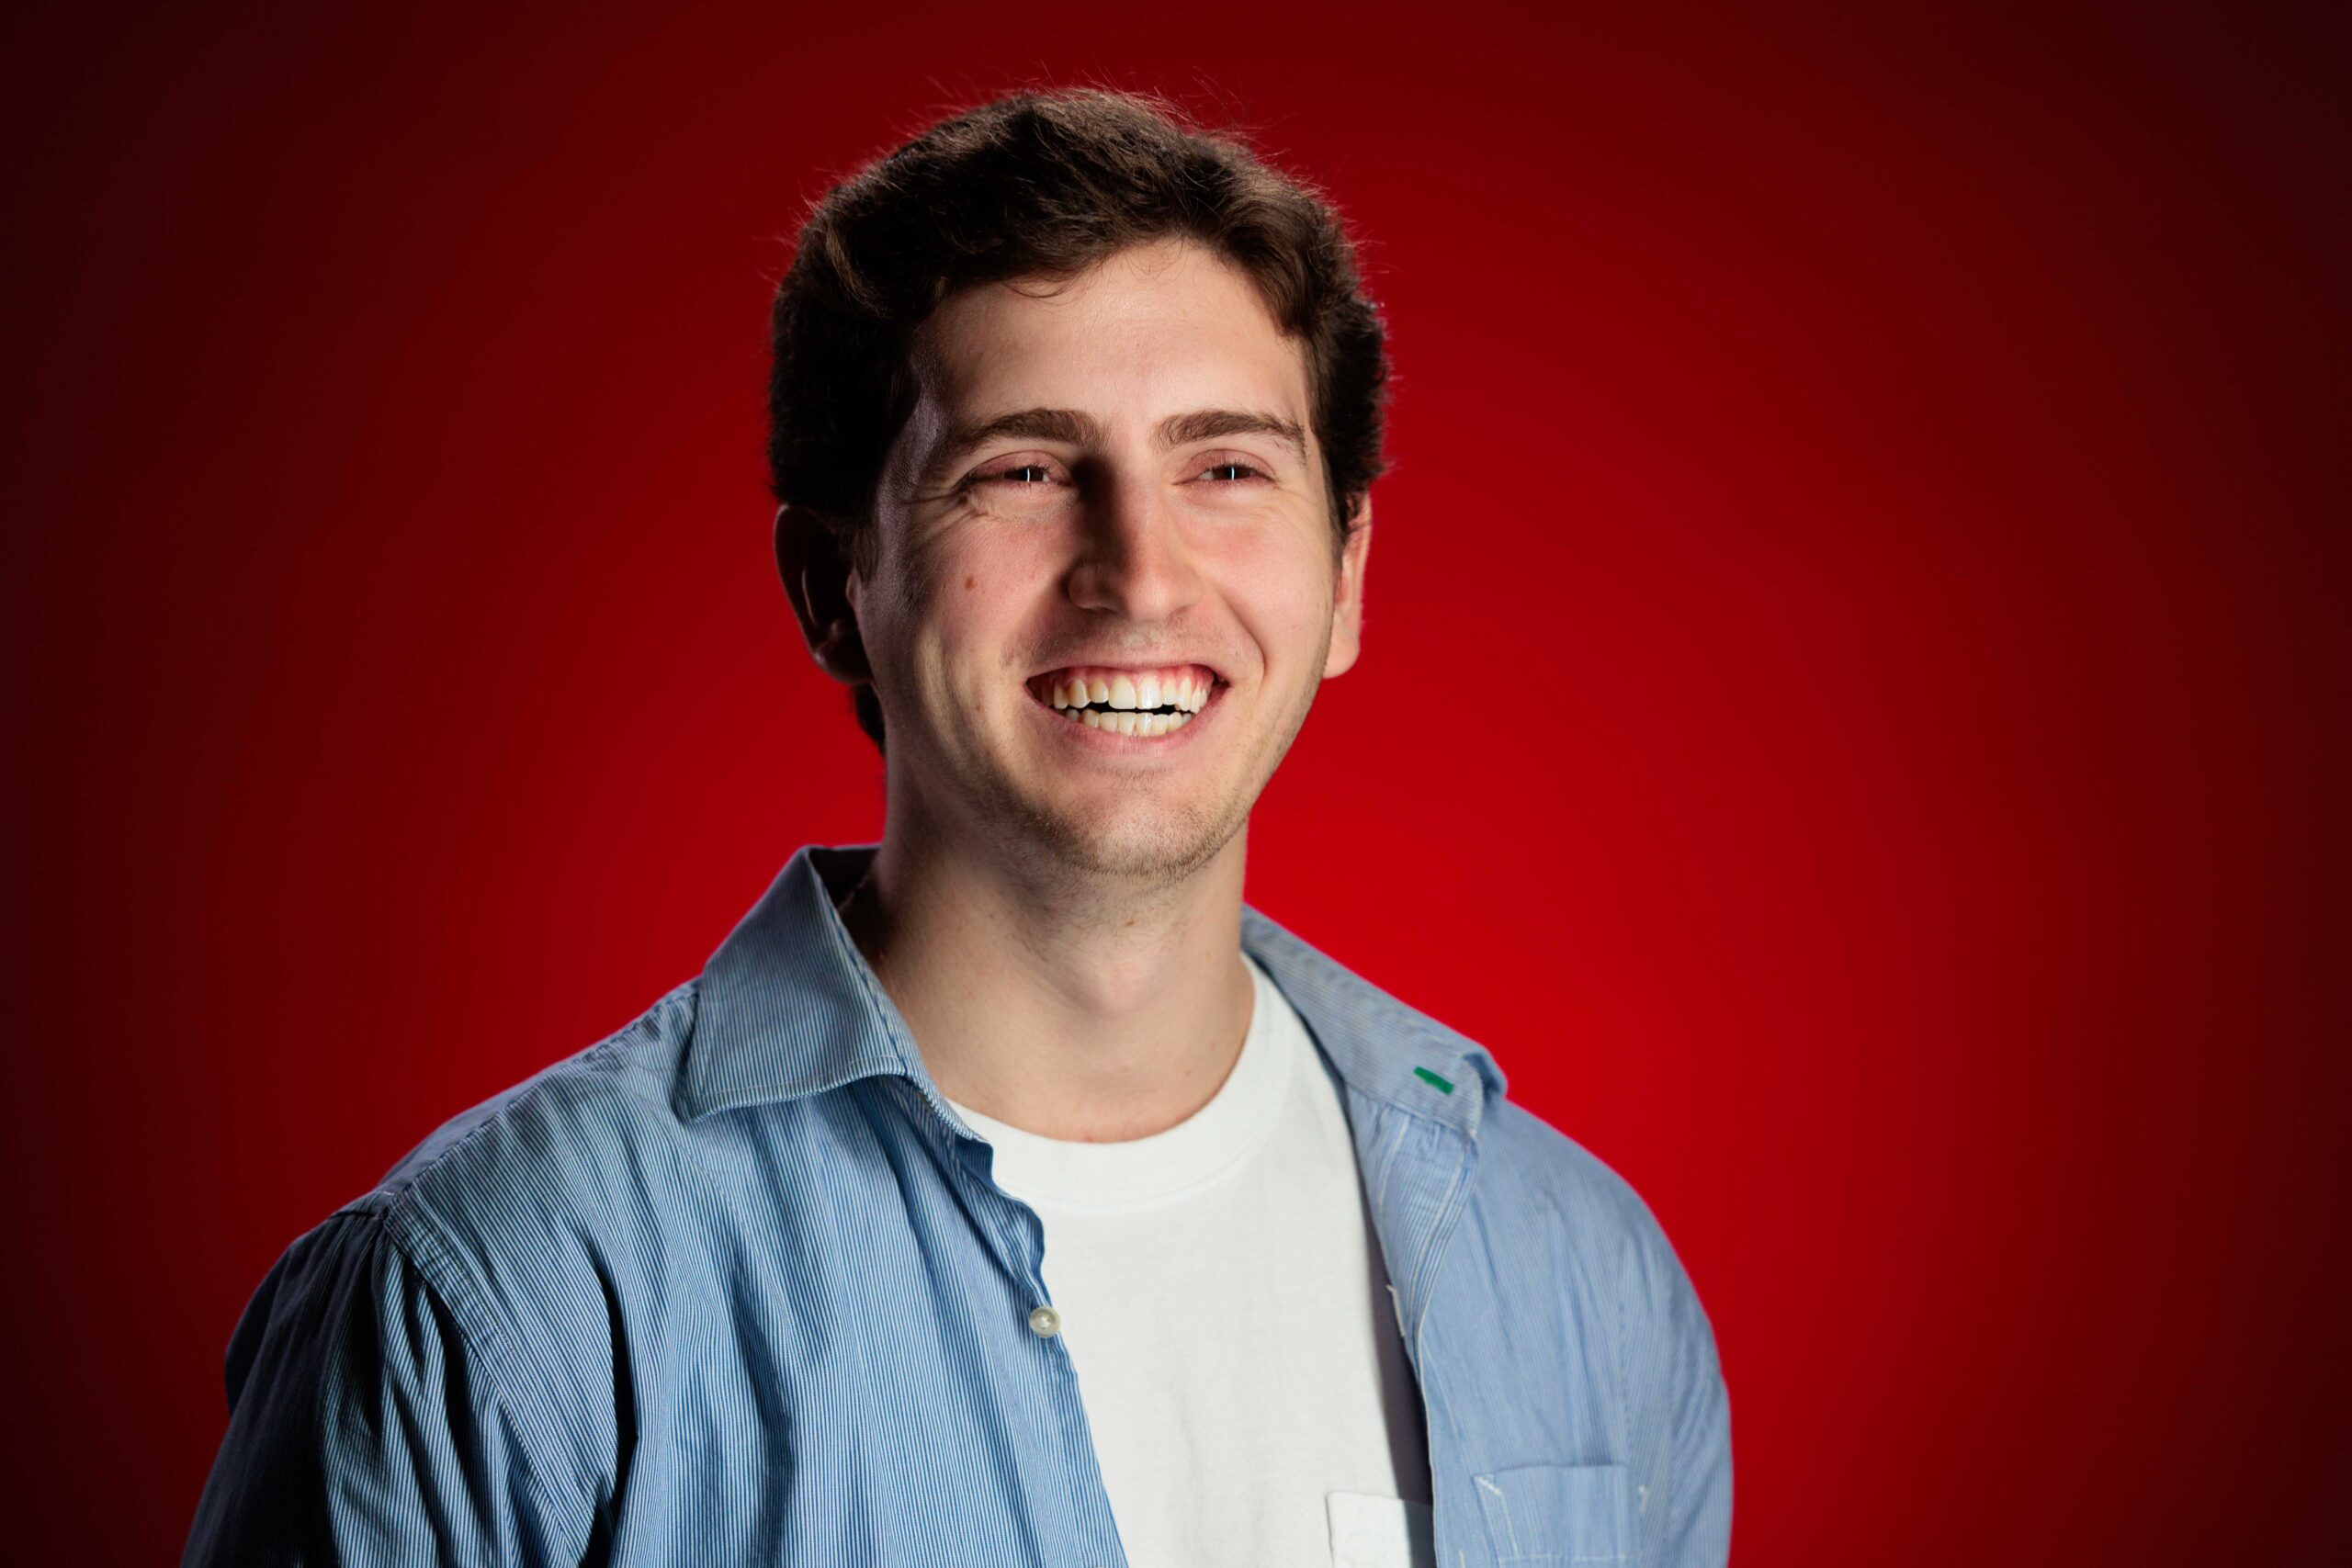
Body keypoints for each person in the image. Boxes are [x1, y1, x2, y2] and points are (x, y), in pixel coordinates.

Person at [184, 87, 1731, 1568]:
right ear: (831, 587)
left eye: (1228, 466)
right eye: (1028, 469)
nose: (1142, 572)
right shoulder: (498, 1299)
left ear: (1347, 576)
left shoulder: (1581, 1273)